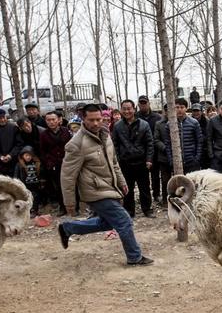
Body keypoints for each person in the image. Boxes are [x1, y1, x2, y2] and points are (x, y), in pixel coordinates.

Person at [58, 104, 153, 266]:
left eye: (98, 119)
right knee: (124, 221)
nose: (95, 123)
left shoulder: (105, 135)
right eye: (91, 120)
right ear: (83, 119)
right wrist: (69, 202)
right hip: (94, 191)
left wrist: (121, 182)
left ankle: (68, 228)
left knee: (108, 222)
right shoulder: (77, 143)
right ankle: (134, 257)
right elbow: (67, 175)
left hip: (110, 187)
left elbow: (114, 162)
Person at [112, 99, 155, 218]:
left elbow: (150, 143)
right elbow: (114, 145)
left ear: (134, 109)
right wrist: (118, 160)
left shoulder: (143, 124)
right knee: (127, 189)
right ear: (121, 110)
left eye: (129, 108)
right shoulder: (117, 126)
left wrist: (149, 159)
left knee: (145, 187)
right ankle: (129, 211)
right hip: (125, 162)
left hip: (141, 162)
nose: (127, 111)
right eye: (124, 109)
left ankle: (147, 209)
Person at [39, 111, 73, 216]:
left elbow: (72, 147)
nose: (51, 122)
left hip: (67, 162)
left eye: (53, 119)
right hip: (53, 165)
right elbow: (42, 151)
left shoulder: (66, 131)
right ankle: (62, 208)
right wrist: (49, 163)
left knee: (70, 185)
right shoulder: (43, 134)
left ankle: (73, 207)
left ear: (58, 120)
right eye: (48, 120)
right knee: (58, 187)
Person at [164, 98, 203, 173]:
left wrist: (197, 158)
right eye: (177, 107)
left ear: (186, 108)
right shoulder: (169, 124)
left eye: (182, 107)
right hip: (177, 162)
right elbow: (168, 144)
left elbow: (199, 141)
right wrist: (171, 160)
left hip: (191, 161)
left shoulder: (194, 123)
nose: (179, 110)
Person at [0, 108, 23, 176]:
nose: (2, 120)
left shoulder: (14, 128)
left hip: (14, 162)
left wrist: (10, 155)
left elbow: (19, 144)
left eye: (3, 117)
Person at [14, 145, 42, 217]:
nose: (28, 157)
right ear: (22, 156)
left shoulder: (36, 163)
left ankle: (35, 210)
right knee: (26, 198)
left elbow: (40, 173)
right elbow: (16, 175)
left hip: (35, 184)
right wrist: (16, 183)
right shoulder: (19, 165)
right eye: (26, 155)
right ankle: (28, 211)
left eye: (30, 155)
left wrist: (41, 181)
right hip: (25, 184)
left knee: (35, 197)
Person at [153, 104, 172, 204]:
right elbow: (156, 139)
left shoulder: (179, 122)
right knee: (165, 180)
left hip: (179, 157)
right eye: (167, 110)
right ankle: (165, 200)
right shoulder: (159, 124)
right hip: (164, 157)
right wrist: (166, 148)